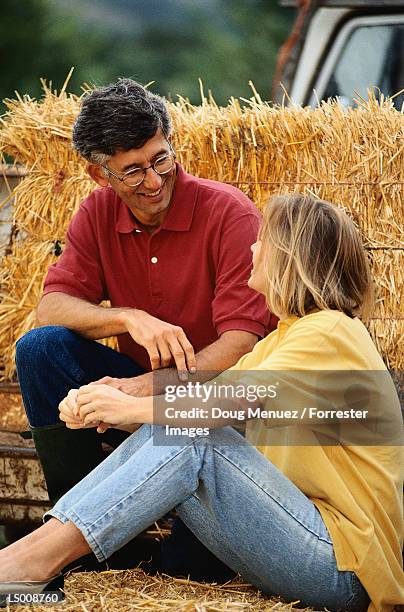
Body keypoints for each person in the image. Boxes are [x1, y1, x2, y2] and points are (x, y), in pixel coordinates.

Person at [3, 194, 403, 611]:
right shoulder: (287, 337)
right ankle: (28, 561)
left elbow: (221, 407)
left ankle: (26, 565)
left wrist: (126, 408)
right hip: (308, 541)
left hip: (345, 567)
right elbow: (197, 407)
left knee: (197, 435)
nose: (252, 247)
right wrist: (103, 407)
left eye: (262, 239)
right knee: (186, 428)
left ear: (289, 256)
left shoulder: (329, 332)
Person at [15, 79, 272, 576]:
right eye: (132, 171)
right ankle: (83, 546)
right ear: (98, 173)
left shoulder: (229, 212)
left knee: (189, 574)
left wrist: (141, 390)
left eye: (161, 160)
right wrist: (127, 317)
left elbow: (242, 344)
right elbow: (51, 307)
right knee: (41, 348)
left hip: (214, 408)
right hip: (131, 399)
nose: (153, 181)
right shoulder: (94, 212)